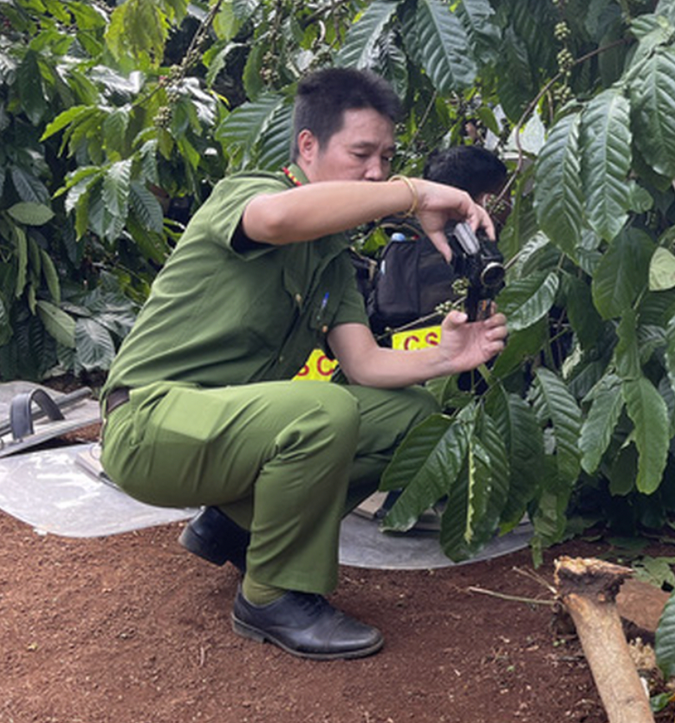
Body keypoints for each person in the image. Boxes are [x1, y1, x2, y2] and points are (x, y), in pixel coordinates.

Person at [98, 68, 508, 661]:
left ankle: (234, 526)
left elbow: (364, 364)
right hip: (149, 426)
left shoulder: (330, 257)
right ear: (308, 147)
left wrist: (446, 357)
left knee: (408, 416)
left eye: (387, 157)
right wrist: (415, 192)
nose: (376, 172)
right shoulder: (248, 193)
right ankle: (271, 597)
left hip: (227, 429)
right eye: (362, 153)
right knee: (323, 408)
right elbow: (277, 220)